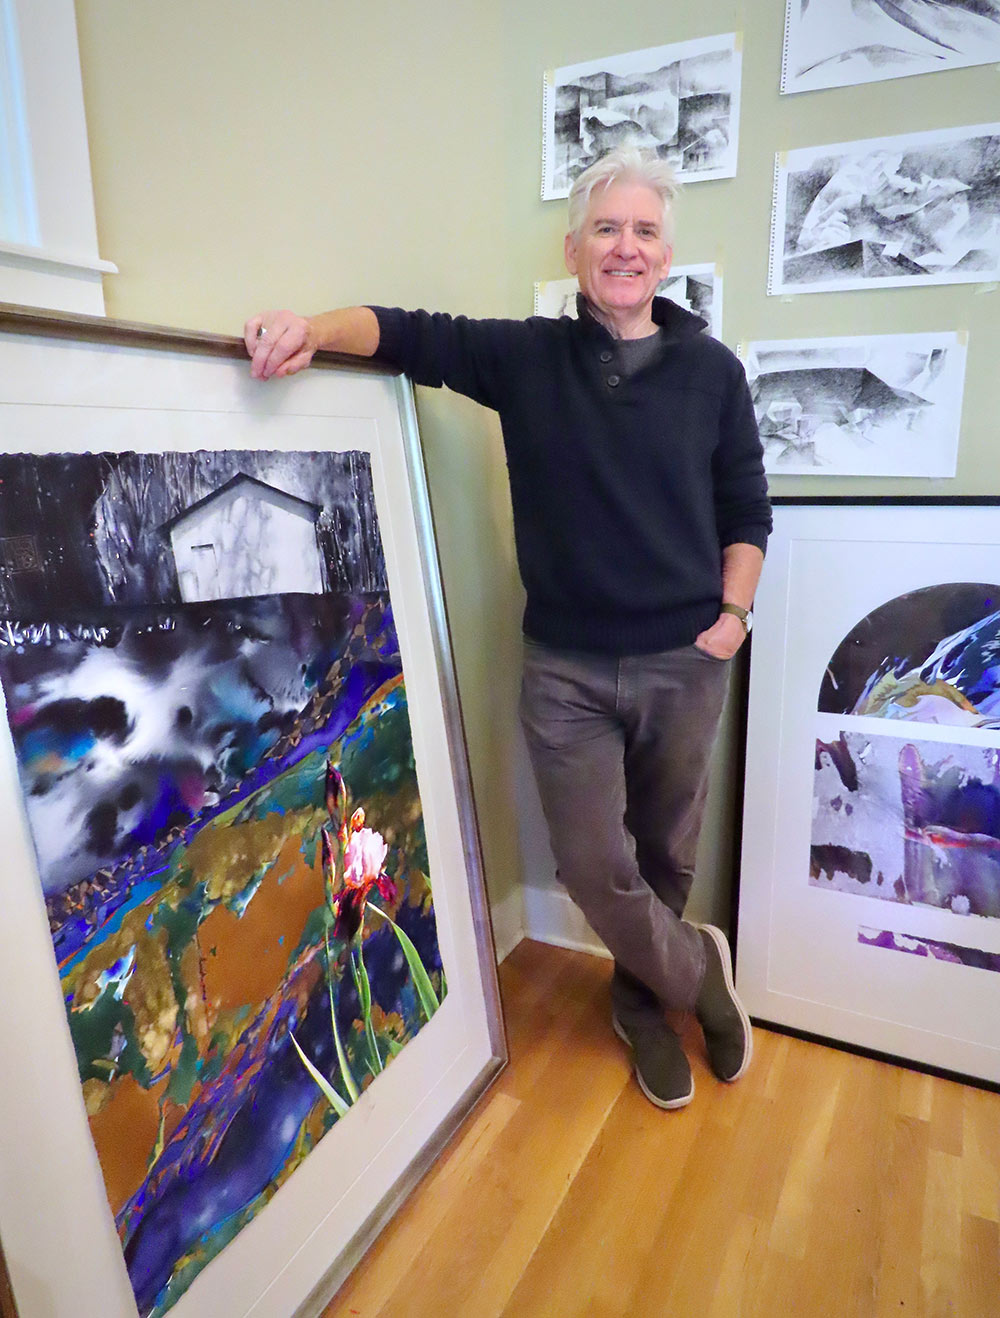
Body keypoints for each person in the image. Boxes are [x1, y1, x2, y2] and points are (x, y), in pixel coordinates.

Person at [244, 145, 771, 1111]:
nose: (625, 247)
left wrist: (734, 615)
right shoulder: (529, 359)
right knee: (592, 866)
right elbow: (407, 332)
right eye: (606, 229)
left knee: (666, 854)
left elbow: (747, 508)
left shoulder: (713, 373)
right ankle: (699, 973)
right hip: (566, 671)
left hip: (685, 663)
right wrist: (306, 328)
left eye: (644, 230)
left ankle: (642, 1006)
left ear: (666, 254)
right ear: (574, 250)